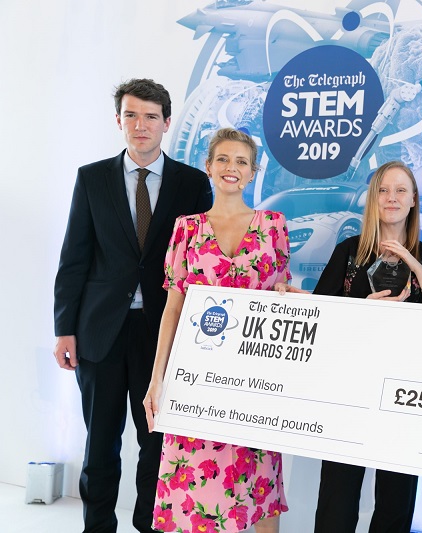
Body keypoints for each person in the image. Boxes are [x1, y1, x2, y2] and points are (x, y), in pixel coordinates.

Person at [53, 78, 213, 532]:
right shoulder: (92, 178)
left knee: (157, 443)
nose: (140, 125)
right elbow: (74, 257)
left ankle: (151, 525)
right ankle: (97, 527)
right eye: (131, 115)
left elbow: (202, 261)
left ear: (165, 123)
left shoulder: (192, 184)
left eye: (150, 116)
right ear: (118, 121)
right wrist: (65, 328)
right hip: (99, 332)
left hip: (163, 333)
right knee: (100, 445)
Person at [142, 128, 290, 532]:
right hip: (197, 384)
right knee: (194, 497)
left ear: (253, 171)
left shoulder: (273, 225)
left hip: (255, 384)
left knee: (258, 491)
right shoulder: (186, 229)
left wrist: (287, 296)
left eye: (241, 161)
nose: (231, 168)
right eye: (223, 159)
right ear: (209, 167)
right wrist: (158, 379)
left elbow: (284, 302)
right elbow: (172, 309)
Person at [312, 161, 422, 533]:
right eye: (383, 190)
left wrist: (413, 263)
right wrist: (364, 311)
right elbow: (320, 316)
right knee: (337, 501)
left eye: (400, 191)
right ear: (373, 199)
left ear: (413, 200)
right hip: (350, 392)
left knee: (396, 504)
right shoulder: (349, 252)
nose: (391, 198)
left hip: (407, 397)